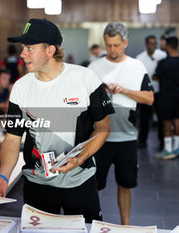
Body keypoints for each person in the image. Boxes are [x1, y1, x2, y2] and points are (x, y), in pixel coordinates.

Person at [0, 18, 114, 223]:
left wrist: (80, 159)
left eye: (29, 48)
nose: (22, 54)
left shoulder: (86, 79)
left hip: (80, 182)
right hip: (37, 184)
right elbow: (12, 137)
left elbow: (103, 128)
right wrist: (2, 176)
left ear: (50, 50)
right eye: (22, 47)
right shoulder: (20, 87)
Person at [88, 22, 154, 225]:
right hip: (99, 138)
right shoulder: (94, 67)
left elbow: (149, 98)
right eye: (108, 45)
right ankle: (94, 223)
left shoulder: (137, 67)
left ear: (125, 42)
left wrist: (124, 90)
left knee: (125, 184)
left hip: (127, 138)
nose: (112, 50)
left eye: (116, 45)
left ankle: (125, 225)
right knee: (94, 186)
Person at [136, 35, 166, 149]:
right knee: (144, 118)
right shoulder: (140, 58)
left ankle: (162, 142)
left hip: (159, 92)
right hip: (145, 92)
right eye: (151, 43)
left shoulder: (162, 56)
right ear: (146, 44)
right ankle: (142, 141)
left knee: (161, 118)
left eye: (155, 43)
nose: (153, 46)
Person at [154, 36, 179, 159]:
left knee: (167, 123)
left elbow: (155, 77)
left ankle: (169, 150)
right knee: (178, 121)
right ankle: (177, 147)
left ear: (168, 46)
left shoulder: (163, 63)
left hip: (166, 97)